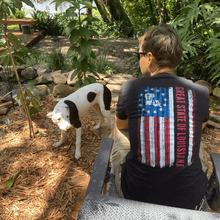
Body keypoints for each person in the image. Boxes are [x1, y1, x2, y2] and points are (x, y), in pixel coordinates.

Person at [110, 23, 210, 210]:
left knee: (119, 134)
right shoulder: (201, 93)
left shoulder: (130, 88)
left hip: (137, 196)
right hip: (191, 202)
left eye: (139, 54)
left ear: (149, 58)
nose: (139, 59)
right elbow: (201, 127)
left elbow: (121, 125)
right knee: (195, 135)